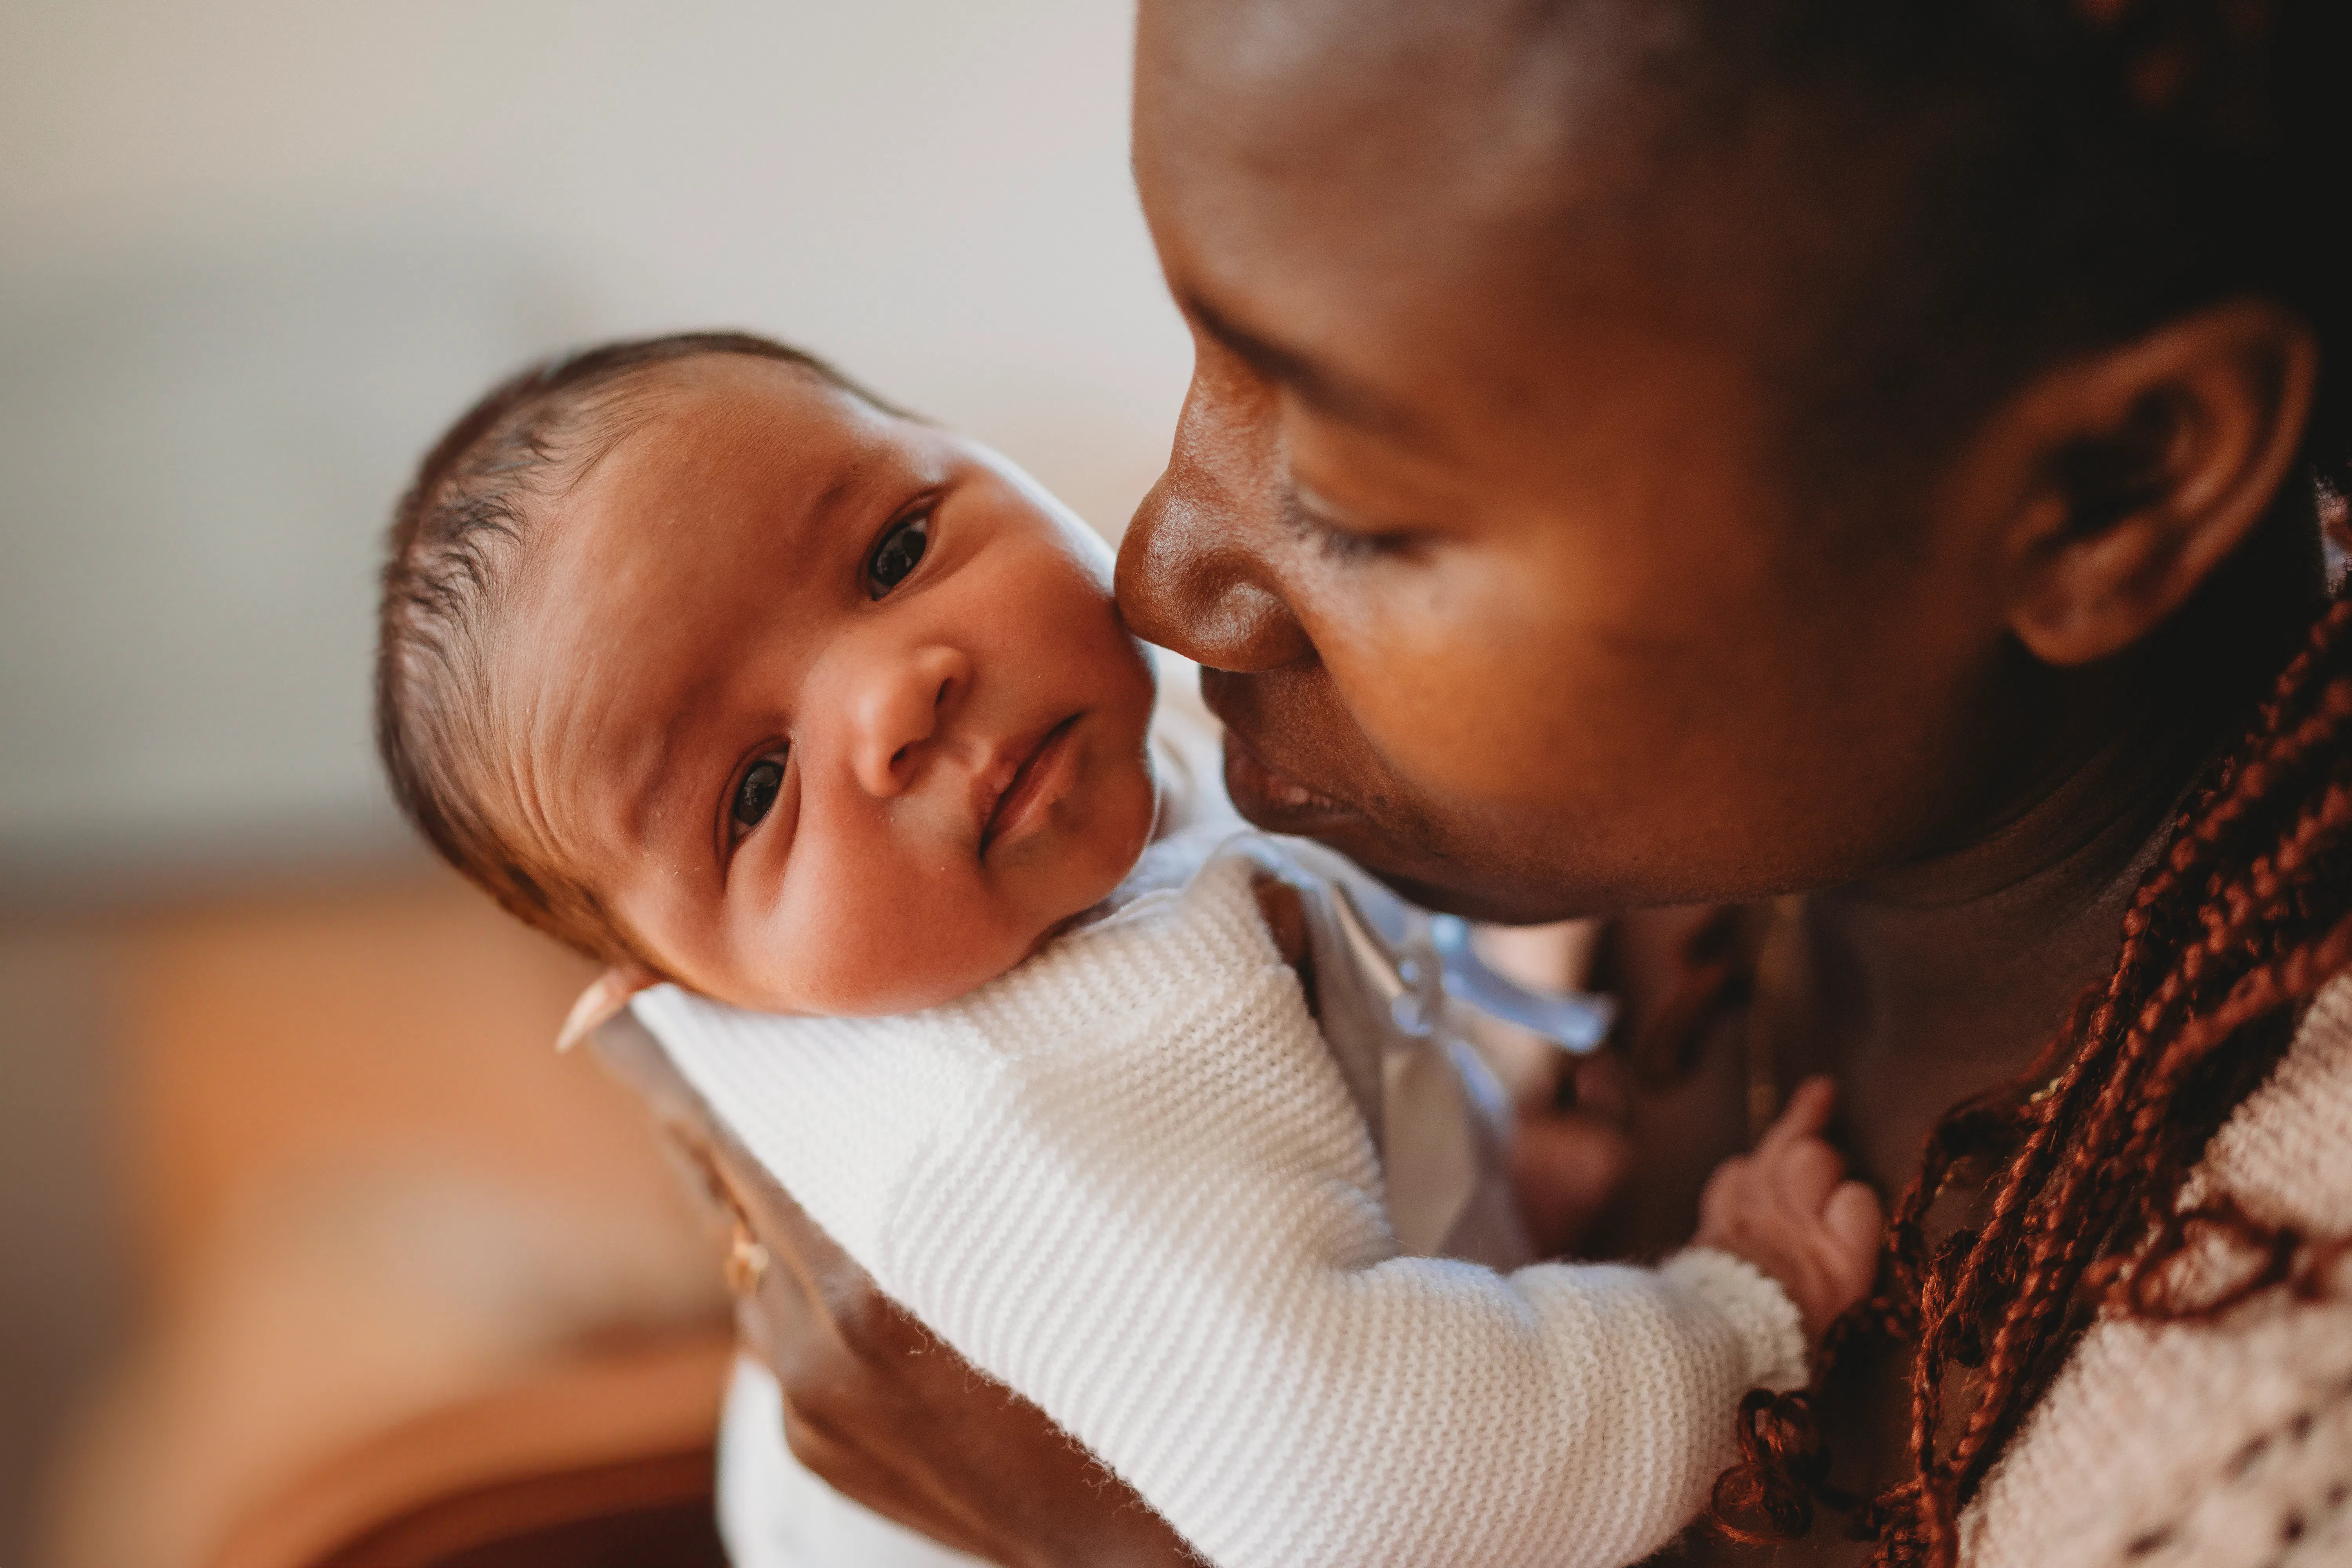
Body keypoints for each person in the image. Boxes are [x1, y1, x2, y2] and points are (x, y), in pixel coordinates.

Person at [673, 1, 2352, 1565]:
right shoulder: (1651, 846)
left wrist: (1151, 1537)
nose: (1161, 574)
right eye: (1197, 341)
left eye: (1355, 501)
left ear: (2108, 489)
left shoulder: (2263, 1454)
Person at [372, 333, 1883, 1568]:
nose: (899, 695)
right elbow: (1376, 1493)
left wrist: (1467, 1160)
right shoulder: (1016, 1104)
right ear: (682, 995)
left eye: (899, 547)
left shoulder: (1078, 785)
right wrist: (1726, 1316)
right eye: (755, 793)